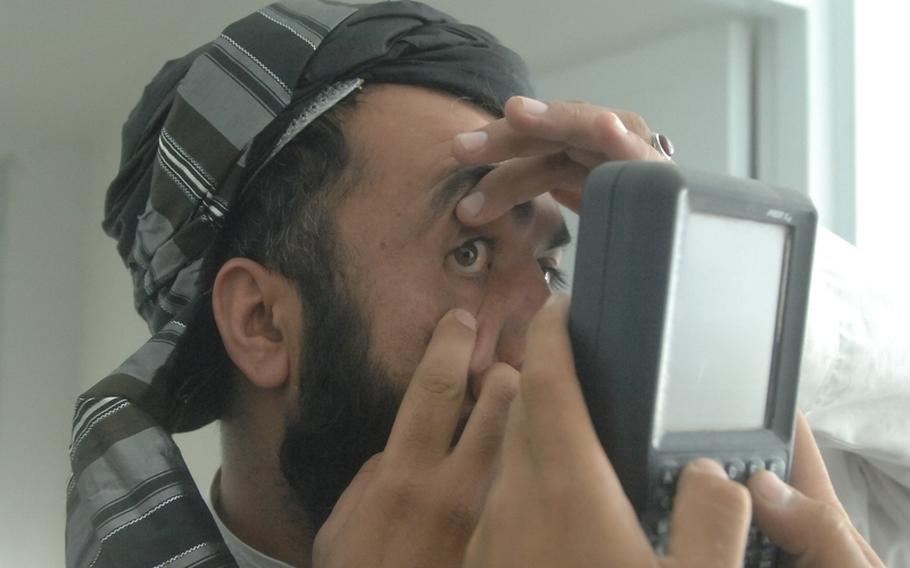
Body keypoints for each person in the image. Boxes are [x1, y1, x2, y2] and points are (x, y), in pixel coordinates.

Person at [66, 1, 891, 567]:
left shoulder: (687, 517)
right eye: (469, 253)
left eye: (548, 261)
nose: (549, 326)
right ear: (263, 322)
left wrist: (700, 261)